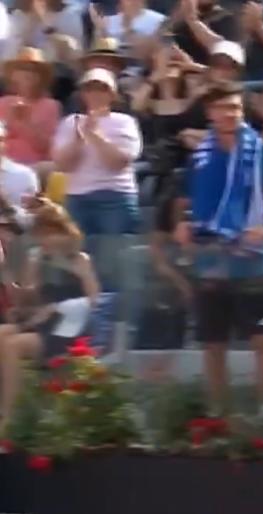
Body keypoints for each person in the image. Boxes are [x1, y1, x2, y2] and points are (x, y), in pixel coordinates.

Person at [174, 81, 263, 422]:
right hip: (210, 260)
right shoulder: (199, 156)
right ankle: (217, 414)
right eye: (223, 108)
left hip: (253, 261)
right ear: (210, 113)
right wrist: (181, 223)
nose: (230, 114)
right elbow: (183, 202)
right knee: (213, 343)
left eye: (236, 108)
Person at [0, 198, 100, 433]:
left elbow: (93, 299)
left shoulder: (80, 260)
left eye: (43, 234)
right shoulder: (37, 257)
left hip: (69, 326)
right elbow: (30, 299)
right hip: (41, 320)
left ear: (59, 231)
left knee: (14, 345)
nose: (40, 241)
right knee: (2, 333)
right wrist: (15, 288)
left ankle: (9, 415)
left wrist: (58, 308)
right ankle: (11, 401)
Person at [52, 68, 143, 239]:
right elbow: (62, 165)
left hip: (115, 196)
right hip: (77, 198)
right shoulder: (70, 122)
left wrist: (94, 135)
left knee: (117, 254)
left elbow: (118, 162)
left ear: (112, 94)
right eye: (89, 88)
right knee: (78, 253)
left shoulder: (125, 122)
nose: (95, 93)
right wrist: (78, 140)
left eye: (102, 88)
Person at [0, 47, 61, 180]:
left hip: (34, 168)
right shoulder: (2, 103)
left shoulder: (51, 105)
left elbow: (47, 147)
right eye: (22, 68)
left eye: (34, 70)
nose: (28, 73)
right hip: (4, 166)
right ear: (13, 74)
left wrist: (26, 122)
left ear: (41, 77)